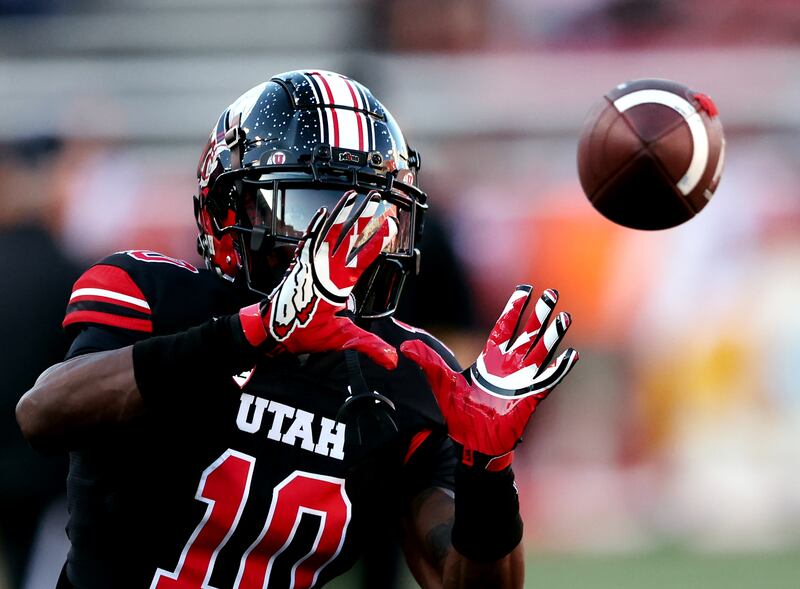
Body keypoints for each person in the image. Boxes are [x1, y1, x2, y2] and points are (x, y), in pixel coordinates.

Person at [16, 70, 578, 589]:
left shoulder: (404, 368)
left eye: (375, 216)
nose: (352, 242)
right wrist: (256, 332)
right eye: (311, 209)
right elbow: (43, 414)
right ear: (229, 211)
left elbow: (464, 581)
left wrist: (488, 475)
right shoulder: (156, 294)